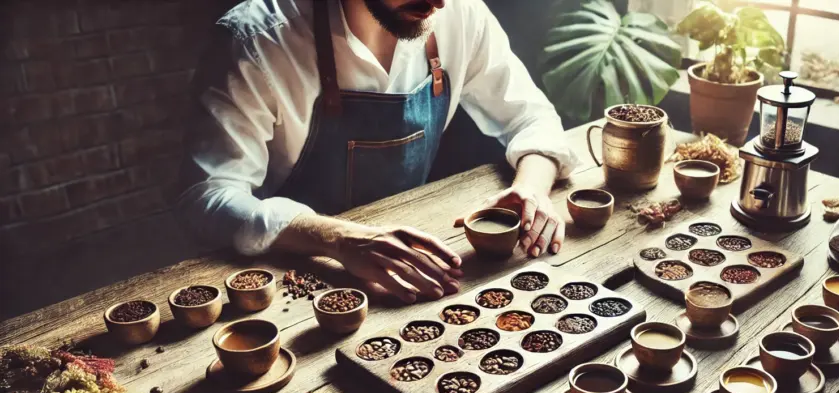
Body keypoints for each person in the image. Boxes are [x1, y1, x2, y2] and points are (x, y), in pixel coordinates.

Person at [178, 0, 578, 304]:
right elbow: (208, 197)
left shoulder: (460, 13)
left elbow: (531, 116)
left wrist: (532, 187)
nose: (437, 2)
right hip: (298, 276)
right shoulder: (259, 40)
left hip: (419, 261)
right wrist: (336, 237)